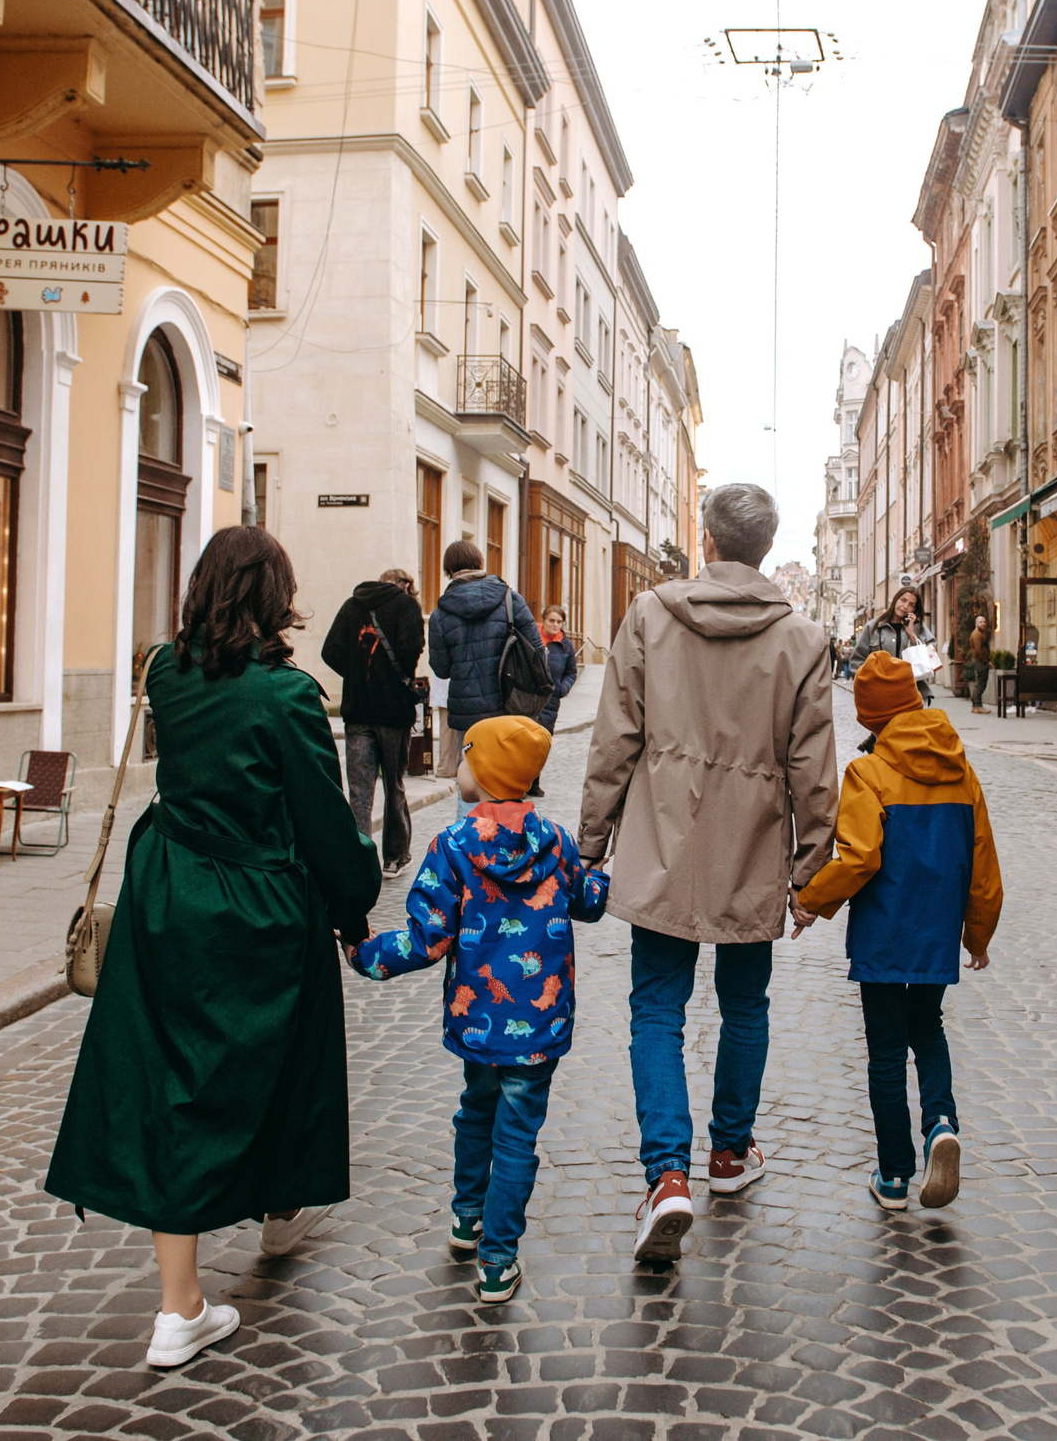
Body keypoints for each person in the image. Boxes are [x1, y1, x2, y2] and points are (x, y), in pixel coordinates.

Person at [46, 525, 380, 1370]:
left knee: (175, 1082)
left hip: (169, 892)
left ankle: (179, 1304)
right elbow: (321, 815)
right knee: (282, 1061)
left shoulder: (164, 668)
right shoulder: (288, 695)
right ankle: (276, 1209)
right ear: (276, 595)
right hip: (257, 903)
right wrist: (353, 901)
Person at [580, 482, 838, 1262]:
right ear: (765, 546)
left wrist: (590, 842)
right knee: (744, 1003)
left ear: (708, 539)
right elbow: (814, 767)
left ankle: (666, 1175)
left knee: (657, 1007)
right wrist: (811, 868)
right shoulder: (802, 640)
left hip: (663, 835)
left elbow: (614, 740)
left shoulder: (651, 617)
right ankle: (729, 1154)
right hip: (753, 843)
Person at [348, 715, 609, 1306]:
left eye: (465, 756)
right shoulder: (556, 842)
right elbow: (589, 902)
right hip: (540, 1028)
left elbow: (427, 938)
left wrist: (366, 954)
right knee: (517, 1136)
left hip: (478, 1021)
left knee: (476, 1110)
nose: (458, 765)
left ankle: (469, 1220)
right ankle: (498, 1260)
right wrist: (609, 879)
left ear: (484, 774)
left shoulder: (453, 847)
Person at [790, 654, 1002, 1211]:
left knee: (885, 1051)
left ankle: (893, 1176)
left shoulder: (868, 773)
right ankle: (940, 1123)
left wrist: (810, 901)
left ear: (869, 717)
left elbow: (858, 858)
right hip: (935, 931)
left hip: (884, 932)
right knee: (927, 1029)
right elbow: (983, 859)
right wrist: (977, 934)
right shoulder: (960, 768)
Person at [321, 567, 426, 871]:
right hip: (394, 712)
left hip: (357, 710)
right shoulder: (407, 606)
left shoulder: (352, 605)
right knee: (393, 785)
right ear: (405, 584)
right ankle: (394, 856)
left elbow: (331, 651)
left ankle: (359, 858)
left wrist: (356, 675)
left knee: (359, 790)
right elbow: (411, 649)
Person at [429, 539, 542, 819]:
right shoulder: (509, 599)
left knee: (470, 780)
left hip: (467, 713)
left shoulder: (441, 613)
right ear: (480, 564)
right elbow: (537, 651)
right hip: (508, 707)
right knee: (507, 781)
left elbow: (441, 668)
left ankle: (469, 849)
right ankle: (510, 848)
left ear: (448, 571)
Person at [859, 586, 938, 703]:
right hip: (881, 694)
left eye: (911, 604)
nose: (905, 606)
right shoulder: (874, 627)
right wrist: (869, 684)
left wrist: (912, 635)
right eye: (903, 600)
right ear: (896, 600)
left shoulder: (919, 628)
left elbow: (931, 660)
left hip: (913, 694)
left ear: (914, 609)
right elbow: (858, 660)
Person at [536, 606, 578, 733]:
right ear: (543, 620)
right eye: (551, 621)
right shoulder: (532, 638)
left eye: (559, 622)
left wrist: (562, 689)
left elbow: (571, 672)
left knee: (543, 740)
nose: (555, 625)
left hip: (550, 702)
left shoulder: (565, 645)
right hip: (528, 699)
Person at [959, 614, 993, 713]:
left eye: (984, 622)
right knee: (981, 684)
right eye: (981, 622)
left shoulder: (979, 633)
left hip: (980, 660)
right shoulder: (977, 634)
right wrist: (985, 661)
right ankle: (978, 705)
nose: (983, 624)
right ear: (976, 623)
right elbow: (978, 650)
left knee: (979, 683)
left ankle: (975, 705)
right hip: (980, 661)